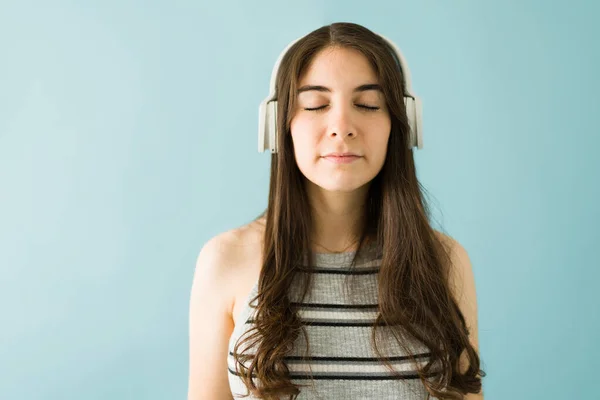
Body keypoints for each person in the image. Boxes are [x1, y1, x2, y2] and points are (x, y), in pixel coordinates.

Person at [188, 22, 485, 400]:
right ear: (278, 127)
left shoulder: (444, 262)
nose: (342, 127)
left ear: (403, 126)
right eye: (315, 105)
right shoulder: (226, 259)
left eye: (368, 105)